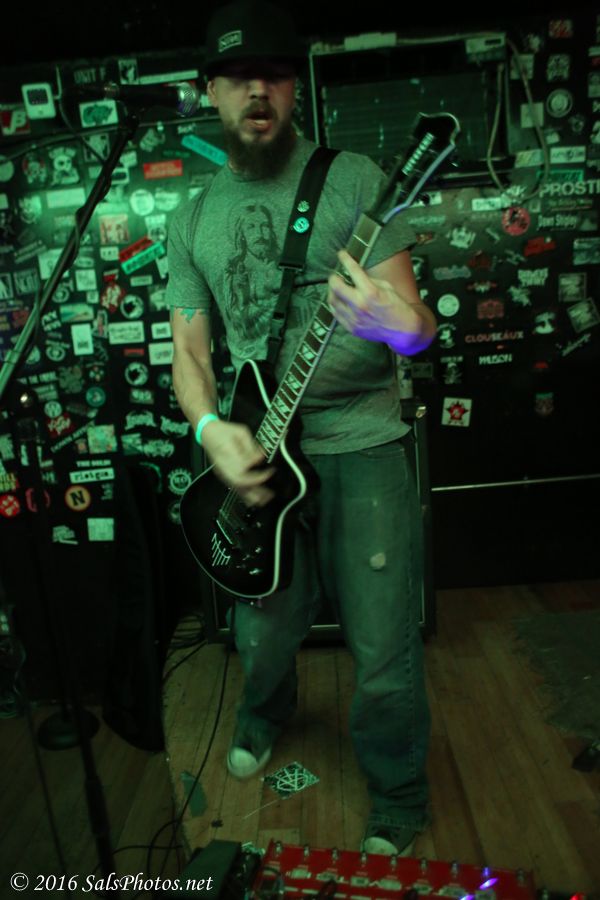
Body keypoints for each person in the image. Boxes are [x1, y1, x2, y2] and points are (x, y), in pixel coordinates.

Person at [166, 0, 437, 858]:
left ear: (294, 87)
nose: (259, 90)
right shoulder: (190, 218)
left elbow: (418, 328)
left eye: (276, 75)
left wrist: (395, 324)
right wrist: (210, 428)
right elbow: (189, 352)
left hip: (362, 445)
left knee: (383, 646)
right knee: (262, 631)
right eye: (240, 76)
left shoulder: (353, 180)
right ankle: (264, 710)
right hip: (259, 453)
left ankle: (398, 792)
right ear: (210, 90)